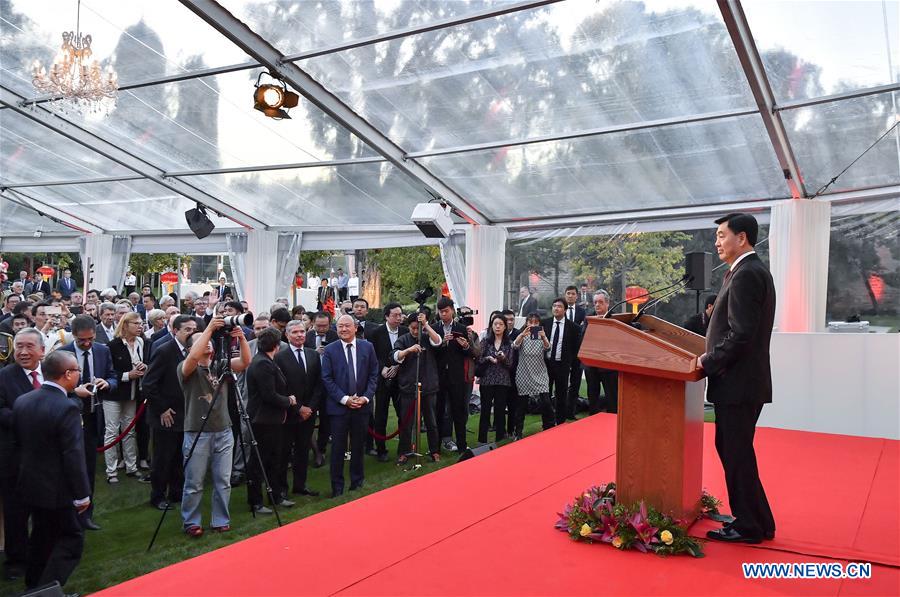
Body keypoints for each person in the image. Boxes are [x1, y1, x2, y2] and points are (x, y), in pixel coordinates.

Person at [700, 213, 776, 545]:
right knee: (736, 451)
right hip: (741, 382)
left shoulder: (747, 274)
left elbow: (741, 334)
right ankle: (758, 520)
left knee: (736, 452)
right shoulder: (747, 271)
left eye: (721, 235)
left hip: (738, 382)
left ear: (741, 238)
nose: (717, 242)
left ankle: (749, 526)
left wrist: (708, 361)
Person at [13, 350, 91, 590]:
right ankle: (45, 591)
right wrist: (82, 495)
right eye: (77, 370)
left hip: (30, 484)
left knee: (41, 539)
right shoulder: (67, 408)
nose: (79, 374)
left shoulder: (23, 400)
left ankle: (33, 586)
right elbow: (73, 455)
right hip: (57, 490)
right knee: (71, 539)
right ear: (67, 374)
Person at [178, 316, 250, 536]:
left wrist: (242, 338)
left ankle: (220, 520)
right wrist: (208, 328)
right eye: (202, 340)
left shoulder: (220, 365)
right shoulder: (186, 368)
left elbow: (245, 363)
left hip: (224, 430)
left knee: (223, 480)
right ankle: (191, 522)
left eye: (209, 339)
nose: (207, 343)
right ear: (192, 348)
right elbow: (192, 358)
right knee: (194, 482)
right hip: (196, 431)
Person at [58, 315, 117, 531]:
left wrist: (106, 383)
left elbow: (113, 376)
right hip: (68, 421)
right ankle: (68, 516)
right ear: (73, 335)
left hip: (93, 417)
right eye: (82, 340)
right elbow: (53, 387)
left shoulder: (102, 350)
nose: (87, 343)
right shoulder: (61, 353)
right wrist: (74, 391)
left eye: (90, 338)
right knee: (69, 469)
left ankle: (86, 516)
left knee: (89, 469)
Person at [0, 328, 46, 581]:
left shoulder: (51, 373)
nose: (23, 351)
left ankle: (41, 553)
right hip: (14, 459)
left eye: (29, 346)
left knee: (45, 510)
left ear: (42, 350)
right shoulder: (4, 376)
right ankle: (16, 560)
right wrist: (29, 418)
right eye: (19, 346)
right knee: (16, 513)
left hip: (47, 460)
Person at [142, 315, 197, 511]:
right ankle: (157, 496)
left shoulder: (194, 352)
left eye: (193, 329)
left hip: (186, 414)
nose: (191, 333)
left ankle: (176, 491)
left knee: (180, 457)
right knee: (162, 458)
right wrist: (162, 408)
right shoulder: (164, 350)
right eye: (187, 330)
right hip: (166, 415)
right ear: (175, 330)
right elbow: (148, 384)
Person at [320, 315, 379, 497]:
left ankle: (357, 482)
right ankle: (337, 487)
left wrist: (365, 398)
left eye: (347, 326)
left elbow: (373, 375)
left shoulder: (367, 347)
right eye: (340, 327)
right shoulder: (330, 350)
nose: (343, 329)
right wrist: (345, 399)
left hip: (362, 407)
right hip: (339, 409)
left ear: (355, 328)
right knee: (337, 449)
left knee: (358, 446)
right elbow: (327, 378)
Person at [245, 327, 296, 514]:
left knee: (274, 459)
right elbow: (268, 394)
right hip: (263, 420)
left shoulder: (267, 361)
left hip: (272, 419)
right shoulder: (262, 364)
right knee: (259, 462)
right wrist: (288, 400)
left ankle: (276, 496)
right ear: (276, 345)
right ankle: (256, 501)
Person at [274, 320, 324, 497]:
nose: (299, 335)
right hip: (289, 414)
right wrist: (299, 408)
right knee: (284, 452)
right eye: (294, 332)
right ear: (286, 335)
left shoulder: (313, 355)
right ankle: (281, 490)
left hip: (309, 414)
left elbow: (319, 384)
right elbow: (281, 387)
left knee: (303, 451)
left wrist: (310, 408)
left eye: (302, 331)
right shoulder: (279, 357)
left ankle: (300, 485)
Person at [392, 312, 443, 464]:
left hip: (428, 386)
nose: (415, 331)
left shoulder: (428, 337)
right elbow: (394, 356)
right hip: (409, 387)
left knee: (431, 421)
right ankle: (404, 451)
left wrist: (426, 325)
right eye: (413, 328)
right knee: (407, 422)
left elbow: (438, 341)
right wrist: (408, 350)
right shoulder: (403, 340)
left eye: (418, 328)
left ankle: (434, 450)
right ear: (408, 327)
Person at [103, 312, 146, 483]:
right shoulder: (112, 345)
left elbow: (141, 362)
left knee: (130, 430)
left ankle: (131, 466)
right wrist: (128, 375)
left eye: (141, 323)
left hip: (133, 393)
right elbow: (108, 372)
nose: (140, 326)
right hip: (113, 394)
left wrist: (144, 367)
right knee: (112, 432)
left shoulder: (141, 342)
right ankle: (111, 471)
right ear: (125, 325)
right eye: (136, 323)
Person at [433, 297, 474, 454]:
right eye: (441, 312)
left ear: (452, 310)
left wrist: (465, 346)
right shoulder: (434, 328)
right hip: (440, 375)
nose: (444, 314)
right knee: (439, 410)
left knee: (459, 410)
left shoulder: (461, 328)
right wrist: (442, 342)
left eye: (446, 311)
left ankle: (462, 445)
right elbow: (432, 352)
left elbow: (468, 353)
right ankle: (436, 446)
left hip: (457, 376)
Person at [367, 303, 406, 462]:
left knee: (403, 415)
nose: (399, 318)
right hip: (382, 381)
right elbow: (372, 355)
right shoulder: (376, 333)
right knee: (381, 416)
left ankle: (403, 449)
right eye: (395, 315)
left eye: (400, 314)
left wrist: (398, 367)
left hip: (401, 380)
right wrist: (382, 369)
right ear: (386, 316)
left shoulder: (404, 331)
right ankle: (381, 449)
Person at [541, 298, 580, 429]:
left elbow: (575, 348)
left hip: (562, 365)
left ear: (565, 309)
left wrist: (569, 362)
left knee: (561, 394)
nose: (556, 308)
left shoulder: (573, 327)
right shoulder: (545, 323)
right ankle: (547, 423)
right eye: (554, 306)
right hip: (546, 364)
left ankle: (560, 423)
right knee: (544, 394)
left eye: (559, 306)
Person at [511, 313, 550, 440]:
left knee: (546, 402)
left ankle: (548, 427)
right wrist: (522, 335)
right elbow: (514, 346)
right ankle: (518, 432)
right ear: (526, 323)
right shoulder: (522, 336)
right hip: (524, 373)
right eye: (530, 322)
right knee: (521, 405)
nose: (533, 325)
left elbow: (548, 348)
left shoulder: (542, 336)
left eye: (536, 322)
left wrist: (543, 337)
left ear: (539, 324)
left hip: (540, 373)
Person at [476, 315, 513, 444]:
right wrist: (488, 358)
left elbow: (510, 364)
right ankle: (482, 440)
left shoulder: (508, 343)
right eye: (495, 324)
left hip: (502, 381)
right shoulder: (485, 341)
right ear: (491, 326)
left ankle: (500, 438)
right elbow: (479, 359)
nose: (497, 326)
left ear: (505, 327)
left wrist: (503, 358)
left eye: (500, 324)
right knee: (485, 410)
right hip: (487, 380)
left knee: (500, 411)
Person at [583, 290, 618, 414]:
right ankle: (593, 421)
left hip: (609, 365)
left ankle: (612, 422)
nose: (597, 305)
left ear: (607, 303)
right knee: (593, 396)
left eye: (600, 302)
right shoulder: (589, 317)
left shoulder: (616, 318)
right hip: (591, 365)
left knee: (612, 398)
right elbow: (583, 337)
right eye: (595, 302)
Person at [562, 285, 586, 420]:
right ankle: (560, 409)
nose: (570, 296)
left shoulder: (582, 312)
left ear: (577, 296)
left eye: (573, 294)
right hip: (563, 351)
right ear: (565, 295)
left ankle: (571, 411)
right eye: (568, 293)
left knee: (575, 382)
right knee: (563, 382)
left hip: (577, 351)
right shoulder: (560, 310)